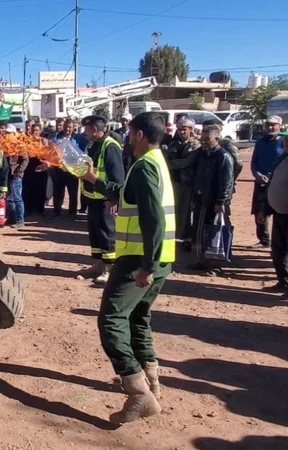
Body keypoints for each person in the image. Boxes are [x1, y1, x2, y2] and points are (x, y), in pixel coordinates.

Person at [78, 111, 175, 425]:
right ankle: (152, 382)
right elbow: (125, 196)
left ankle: (138, 393)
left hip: (138, 260)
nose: (127, 138)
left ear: (140, 135)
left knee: (111, 320)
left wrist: (147, 264)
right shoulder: (155, 163)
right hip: (162, 259)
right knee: (137, 318)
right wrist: (93, 179)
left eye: (130, 132)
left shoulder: (144, 166)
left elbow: (153, 219)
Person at [80, 115, 126, 285]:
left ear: (94, 129)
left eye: (86, 129)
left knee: (108, 234)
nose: (84, 132)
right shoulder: (92, 144)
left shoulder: (110, 146)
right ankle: (99, 265)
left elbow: (118, 177)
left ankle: (109, 269)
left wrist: (114, 199)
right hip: (93, 197)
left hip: (105, 199)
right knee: (95, 233)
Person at [189, 125, 234, 276]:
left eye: (207, 139)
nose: (203, 141)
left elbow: (226, 182)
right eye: (202, 138)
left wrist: (221, 202)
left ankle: (216, 266)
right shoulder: (204, 155)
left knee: (216, 233)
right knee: (201, 232)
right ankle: (203, 261)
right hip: (202, 201)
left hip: (216, 204)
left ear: (217, 139)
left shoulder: (223, 157)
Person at [264, 125, 288, 300]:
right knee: (278, 249)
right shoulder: (283, 158)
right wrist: (266, 208)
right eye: (285, 139)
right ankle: (284, 280)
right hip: (279, 213)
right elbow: (272, 183)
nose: (286, 143)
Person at [164, 117, 200, 252]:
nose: (181, 132)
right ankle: (180, 236)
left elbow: (188, 162)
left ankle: (188, 239)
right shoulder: (174, 144)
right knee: (176, 211)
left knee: (187, 211)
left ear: (191, 130)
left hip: (189, 183)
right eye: (179, 129)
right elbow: (167, 158)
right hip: (175, 182)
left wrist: (172, 164)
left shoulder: (196, 144)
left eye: (184, 129)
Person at [249, 115, 284, 249]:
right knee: (259, 210)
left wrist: (271, 174)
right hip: (260, 181)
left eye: (273, 125)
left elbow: (283, 160)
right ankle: (263, 239)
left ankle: (280, 241)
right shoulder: (260, 142)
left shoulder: (283, 141)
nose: (270, 127)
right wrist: (256, 174)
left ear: (279, 126)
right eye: (268, 125)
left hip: (278, 182)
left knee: (278, 210)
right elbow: (254, 161)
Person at [50, 119, 81, 219]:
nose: (67, 129)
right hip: (58, 169)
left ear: (73, 128)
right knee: (58, 191)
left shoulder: (78, 138)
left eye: (70, 127)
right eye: (66, 127)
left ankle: (72, 213)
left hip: (72, 170)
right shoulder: (56, 137)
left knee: (73, 192)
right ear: (63, 127)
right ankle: (57, 211)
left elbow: (85, 151)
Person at [202, 118, 243, 182]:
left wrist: (229, 179)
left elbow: (238, 164)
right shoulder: (203, 143)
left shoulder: (227, 143)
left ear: (220, 128)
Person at [23, 123, 50, 218]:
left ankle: (40, 210)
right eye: (33, 130)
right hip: (29, 169)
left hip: (41, 169)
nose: (35, 132)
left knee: (41, 191)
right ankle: (28, 210)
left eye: (37, 130)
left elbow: (49, 155)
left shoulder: (44, 141)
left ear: (40, 131)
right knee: (28, 191)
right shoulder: (26, 141)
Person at [6, 139, 29, 228]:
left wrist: (19, 171)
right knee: (9, 198)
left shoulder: (20, 145)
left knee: (17, 198)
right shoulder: (5, 144)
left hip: (16, 175)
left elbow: (25, 160)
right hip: (8, 174)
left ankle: (20, 220)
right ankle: (11, 218)